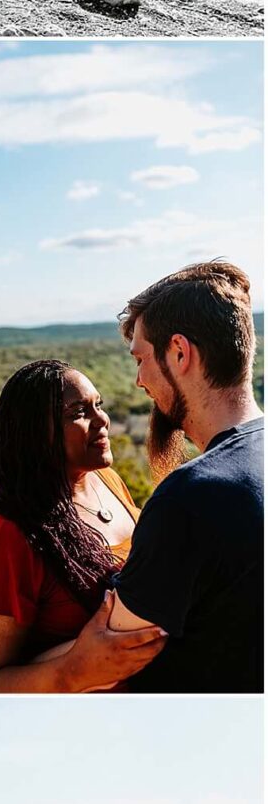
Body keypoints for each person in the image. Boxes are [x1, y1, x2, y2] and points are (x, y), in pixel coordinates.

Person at [0, 361, 167, 694]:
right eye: (79, 412)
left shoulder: (105, 481)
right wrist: (71, 672)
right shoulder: (8, 539)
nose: (102, 420)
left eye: (99, 405)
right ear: (36, 431)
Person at [108, 261, 263, 693]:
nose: (140, 380)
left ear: (179, 352)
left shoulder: (193, 496)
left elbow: (112, 652)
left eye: (141, 359)